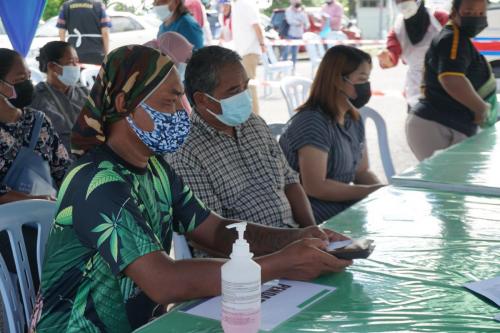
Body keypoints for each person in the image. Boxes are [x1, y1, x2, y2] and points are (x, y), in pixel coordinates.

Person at [30, 45, 352, 332]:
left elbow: (216, 231)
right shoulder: (96, 182)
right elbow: (164, 281)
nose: (182, 114)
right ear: (124, 103)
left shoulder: (154, 167)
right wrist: (281, 263)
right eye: (170, 103)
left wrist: (299, 238)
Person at [167, 46, 316, 246]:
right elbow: (214, 237)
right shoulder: (185, 152)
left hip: (295, 240)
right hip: (246, 262)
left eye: (245, 86)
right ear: (202, 99)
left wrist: (312, 232)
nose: (244, 96)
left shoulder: (254, 123)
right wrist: (290, 248)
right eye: (234, 91)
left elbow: (290, 183)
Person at [279, 45, 384, 222]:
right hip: (310, 215)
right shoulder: (312, 122)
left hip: (340, 207)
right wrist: (369, 192)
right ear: (337, 80)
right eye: (361, 79)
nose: (366, 86)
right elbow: (315, 187)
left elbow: (361, 171)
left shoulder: (353, 119)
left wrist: (382, 192)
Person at [406, 0, 496, 161]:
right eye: (469, 12)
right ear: (454, 13)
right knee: (445, 182)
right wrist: (480, 107)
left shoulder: (460, 39)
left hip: (448, 123)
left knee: (454, 181)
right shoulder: (452, 39)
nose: (476, 17)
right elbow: (451, 78)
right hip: (437, 124)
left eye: (481, 13)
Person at [0, 48, 70, 204]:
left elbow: (63, 169)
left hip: (48, 215)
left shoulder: (38, 121)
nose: (27, 84)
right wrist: (35, 203)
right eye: (19, 80)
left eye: (29, 77)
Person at [378, 0, 448, 111]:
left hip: (445, 86)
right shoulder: (397, 29)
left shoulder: (440, 18)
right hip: (416, 92)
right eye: (398, 1)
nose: (402, 3)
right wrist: (386, 59)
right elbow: (392, 57)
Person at [31, 41, 89, 151]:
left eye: (77, 61)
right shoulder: (37, 99)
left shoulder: (85, 92)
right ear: (52, 66)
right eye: (71, 62)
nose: (77, 66)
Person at [144, 32, 194, 112]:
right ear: (171, 58)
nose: (186, 65)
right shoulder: (158, 92)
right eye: (186, 60)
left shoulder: (174, 86)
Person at [232, 0, 267, 115]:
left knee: (249, 87)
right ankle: (251, 117)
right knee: (246, 87)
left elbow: (256, 26)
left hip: (249, 51)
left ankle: (255, 118)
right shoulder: (238, 4)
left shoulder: (246, 4)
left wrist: (262, 44)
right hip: (243, 52)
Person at [56, 0, 112, 65]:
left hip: (73, 53)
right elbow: (105, 32)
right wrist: (106, 54)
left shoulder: (66, 6)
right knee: (94, 74)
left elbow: (61, 31)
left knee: (76, 74)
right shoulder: (98, 5)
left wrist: (64, 53)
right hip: (96, 52)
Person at [281, 0, 310, 72]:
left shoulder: (302, 12)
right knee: (286, 52)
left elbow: (307, 24)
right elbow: (290, 21)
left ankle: (292, 69)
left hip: (299, 35)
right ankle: (282, 68)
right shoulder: (288, 10)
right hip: (290, 34)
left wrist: (301, 21)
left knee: (295, 53)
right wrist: (299, 22)